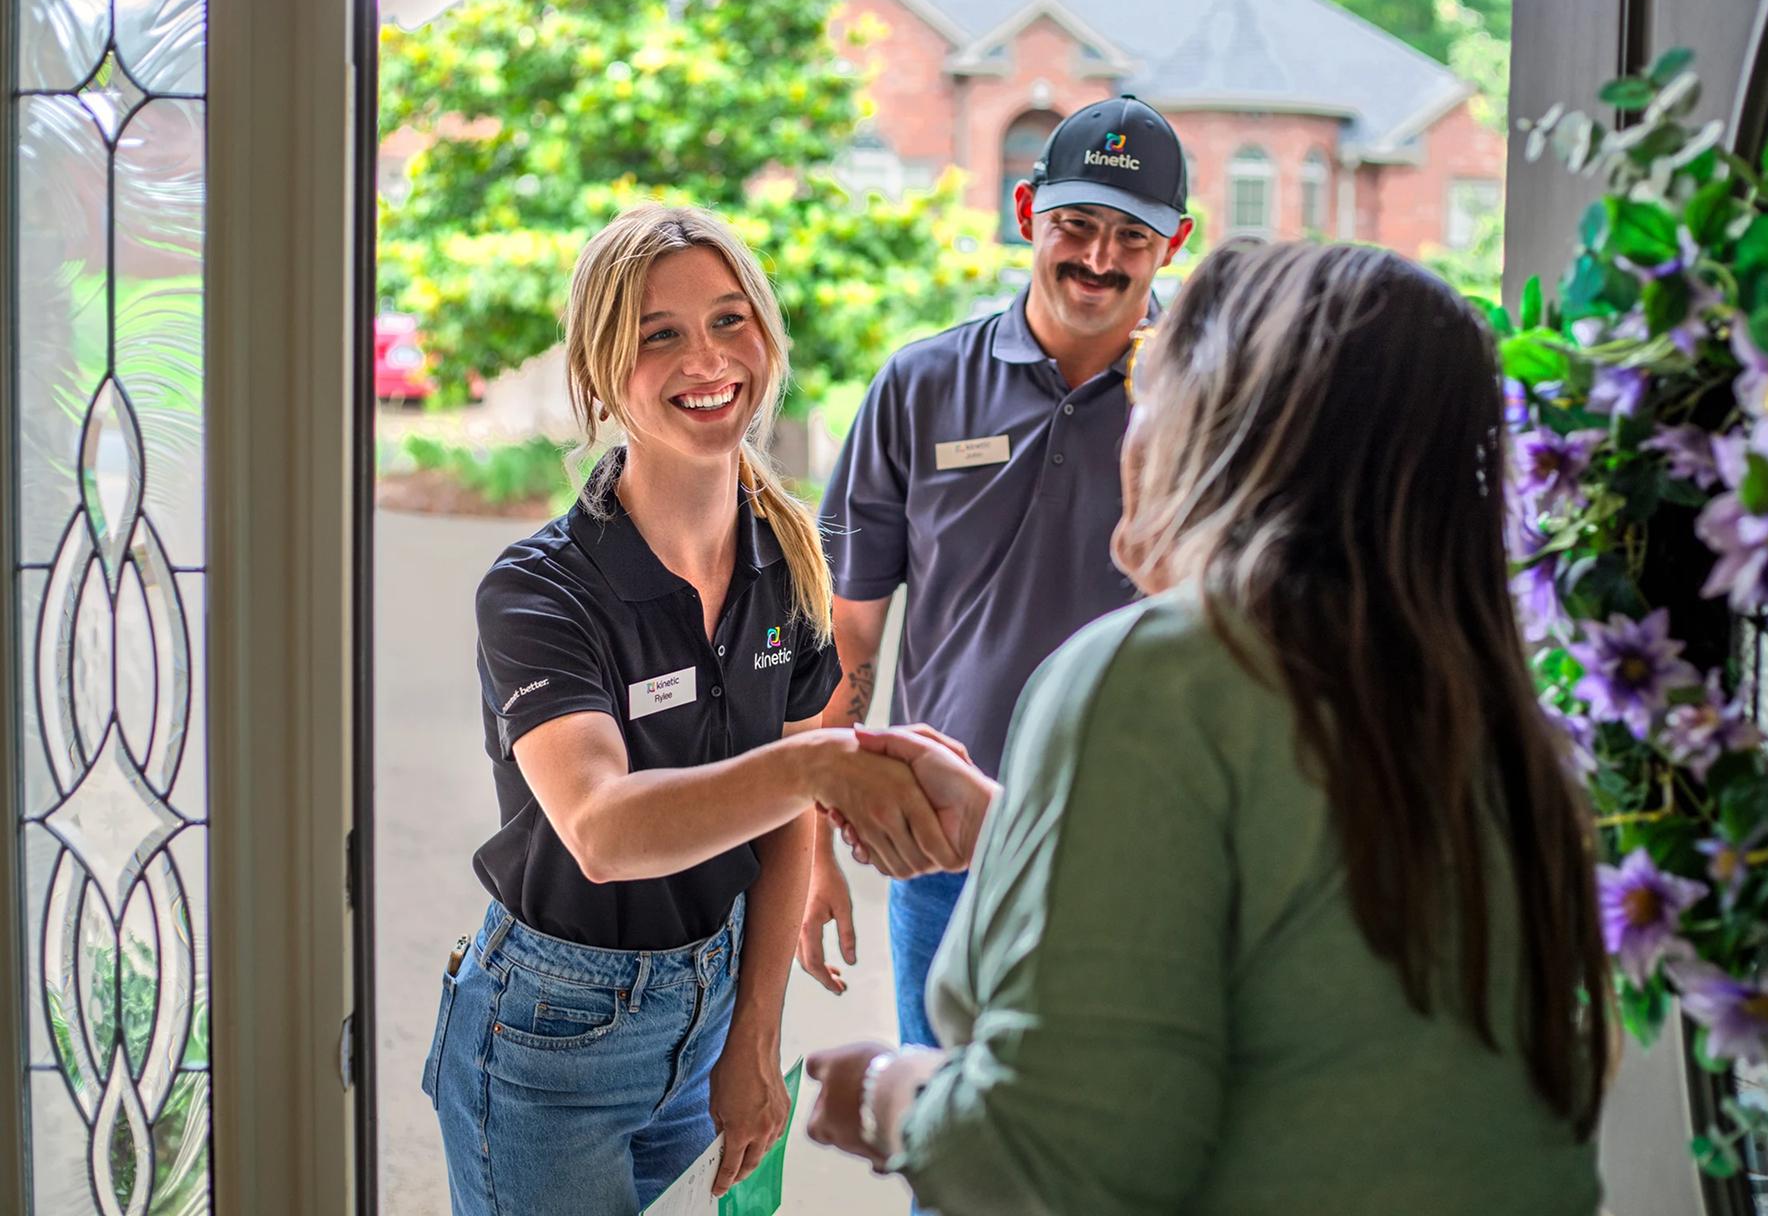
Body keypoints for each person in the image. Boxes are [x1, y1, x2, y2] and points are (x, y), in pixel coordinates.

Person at [805, 241, 1613, 1214]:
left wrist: (895, 1096)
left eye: (1151, 382)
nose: (1127, 423)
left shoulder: (1152, 672)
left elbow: (1061, 1162)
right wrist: (1019, 827)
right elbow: (1307, 936)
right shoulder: (1481, 705)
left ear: (1232, 430)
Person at [421, 204, 966, 1216]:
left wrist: (756, 1036)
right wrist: (816, 766)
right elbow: (602, 829)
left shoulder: (790, 553)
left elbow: (789, 825)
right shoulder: (539, 589)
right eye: (659, 334)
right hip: (551, 1034)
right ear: (599, 367)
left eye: (729, 319)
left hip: (712, 1008)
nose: (707, 358)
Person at [800, 95, 1194, 1043]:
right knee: (944, 1150)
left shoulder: (1213, 398)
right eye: (1076, 225)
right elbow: (848, 633)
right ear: (1026, 214)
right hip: (938, 853)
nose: (1099, 259)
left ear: (1173, 243)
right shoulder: (921, 384)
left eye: (1130, 236)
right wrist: (812, 841)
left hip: (1140, 857)